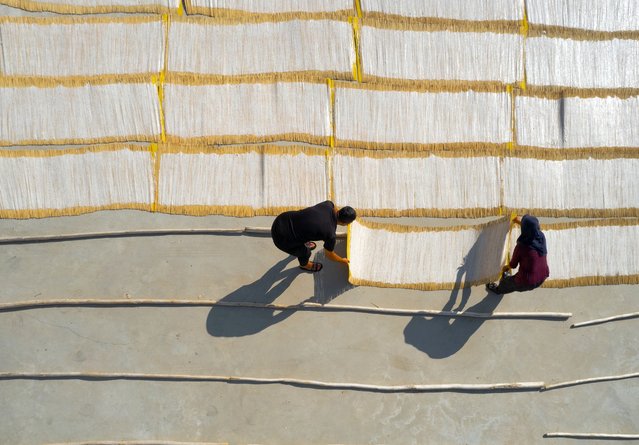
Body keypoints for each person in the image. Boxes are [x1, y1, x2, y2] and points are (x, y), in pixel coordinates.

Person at [271, 201, 356, 272]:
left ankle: (302, 242)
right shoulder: (330, 235)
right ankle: (305, 265)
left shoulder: (328, 204)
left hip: (282, 219)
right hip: (282, 239)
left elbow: (323, 222)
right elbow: (329, 255)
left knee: (306, 228)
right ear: (345, 224)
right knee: (305, 252)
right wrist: (342, 260)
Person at [486, 214, 549, 294]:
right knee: (511, 279)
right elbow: (532, 228)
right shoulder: (541, 237)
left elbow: (513, 265)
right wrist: (517, 221)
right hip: (543, 276)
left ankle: (498, 290)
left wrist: (506, 267)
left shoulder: (522, 247)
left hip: (527, 281)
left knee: (507, 284)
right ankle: (507, 279)